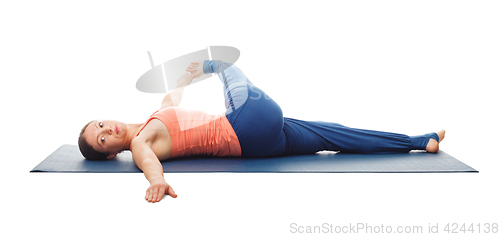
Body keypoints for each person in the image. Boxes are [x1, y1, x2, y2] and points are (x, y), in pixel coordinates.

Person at [78, 60, 445, 203]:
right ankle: (217, 63)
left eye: (99, 125)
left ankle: (418, 141)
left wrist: (182, 77)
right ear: (110, 153)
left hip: (261, 145)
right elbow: (148, 163)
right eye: (102, 139)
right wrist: (155, 181)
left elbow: (170, 100)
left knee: (334, 134)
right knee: (229, 72)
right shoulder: (143, 142)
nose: (105, 129)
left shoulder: (152, 121)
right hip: (246, 122)